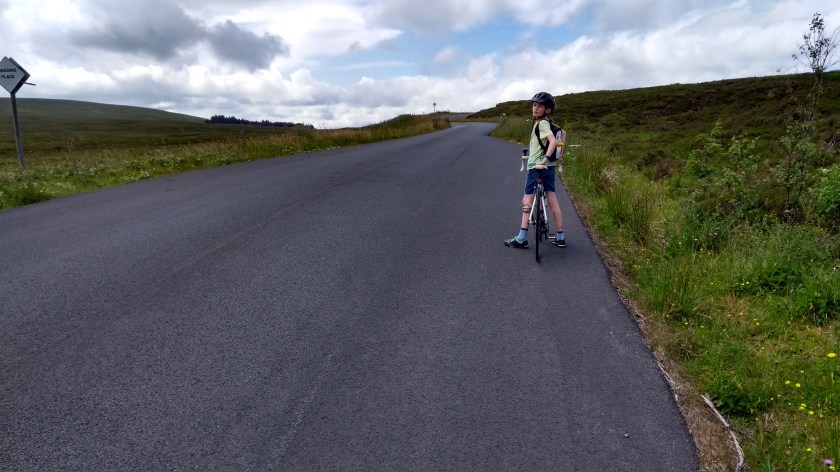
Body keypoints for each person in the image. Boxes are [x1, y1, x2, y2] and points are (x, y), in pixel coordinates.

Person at [504, 92, 565, 249]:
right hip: (549, 168)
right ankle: (560, 236)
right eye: (534, 105)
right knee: (552, 200)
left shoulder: (542, 124)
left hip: (536, 167)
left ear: (548, 110)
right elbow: (556, 140)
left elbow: (553, 142)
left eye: (540, 106)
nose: (535, 108)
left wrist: (543, 159)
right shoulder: (546, 123)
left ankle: (522, 238)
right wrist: (548, 161)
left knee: (527, 201)